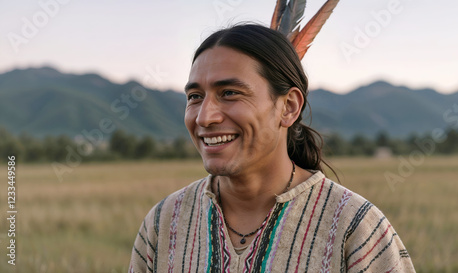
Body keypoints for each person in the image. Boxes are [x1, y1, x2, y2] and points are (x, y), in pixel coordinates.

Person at [129, 24, 416, 273]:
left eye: (229, 93)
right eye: (195, 96)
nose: (205, 117)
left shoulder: (354, 227)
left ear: (288, 107)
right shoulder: (165, 222)